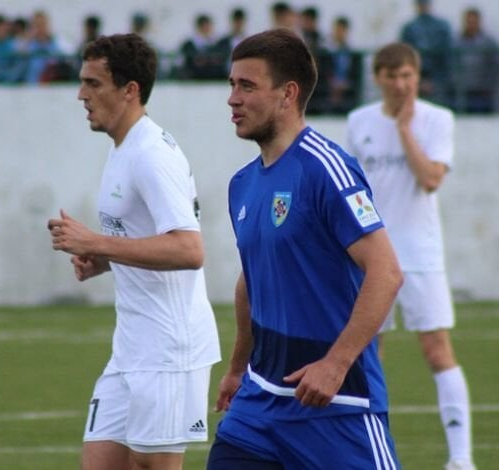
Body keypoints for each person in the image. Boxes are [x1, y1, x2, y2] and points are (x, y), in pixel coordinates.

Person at [207, 28, 403, 469]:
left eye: (247, 86)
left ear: (287, 94)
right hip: (258, 405)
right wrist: (237, 369)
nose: (233, 99)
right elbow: (252, 279)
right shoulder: (242, 184)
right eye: (232, 85)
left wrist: (335, 364)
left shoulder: (326, 169)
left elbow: (387, 272)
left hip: (335, 406)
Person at [47, 33, 221, 470]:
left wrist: (96, 242)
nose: (81, 95)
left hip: (167, 350)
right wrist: (104, 261)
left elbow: (189, 249)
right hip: (132, 347)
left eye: (93, 84)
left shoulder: (151, 155)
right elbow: (146, 236)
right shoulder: (123, 148)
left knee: (151, 466)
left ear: (130, 90)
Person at [346, 42, 475, 470]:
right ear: (378, 78)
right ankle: (367, 451)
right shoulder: (359, 121)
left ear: (417, 77)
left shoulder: (437, 119)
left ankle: (461, 458)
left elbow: (431, 179)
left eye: (408, 76)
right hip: (372, 257)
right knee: (368, 353)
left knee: (437, 350)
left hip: (421, 253)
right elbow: (354, 190)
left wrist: (404, 130)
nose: (401, 85)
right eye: (392, 76)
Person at [400, 0, 456, 109]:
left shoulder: (442, 26)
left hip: (439, 79)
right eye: (421, 4)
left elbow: (447, 58)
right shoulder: (409, 28)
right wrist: (419, 81)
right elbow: (406, 55)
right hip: (415, 78)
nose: (423, 7)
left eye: (425, 4)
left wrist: (435, 81)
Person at [455, 7, 499, 113]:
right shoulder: (456, 42)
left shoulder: (489, 43)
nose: (471, 25)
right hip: (461, 92)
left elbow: (496, 67)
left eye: (474, 22)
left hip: (483, 92)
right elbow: (451, 64)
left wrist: (490, 85)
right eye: (469, 22)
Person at [325, 16, 364, 114]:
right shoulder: (325, 52)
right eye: (337, 30)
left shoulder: (353, 53)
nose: (339, 33)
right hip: (328, 92)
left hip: (347, 93)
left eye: (342, 30)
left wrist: (345, 84)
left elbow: (356, 75)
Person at [174, 14, 227, 80]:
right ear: (199, 27)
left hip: (215, 80)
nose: (207, 29)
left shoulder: (218, 45)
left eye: (208, 26)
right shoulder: (188, 45)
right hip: (194, 80)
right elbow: (180, 63)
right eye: (204, 26)